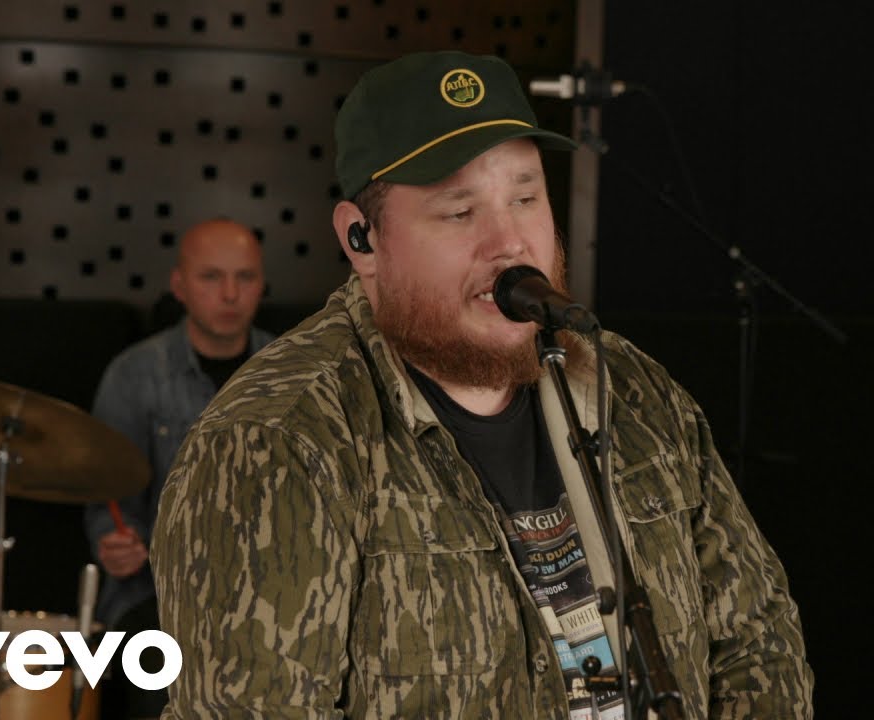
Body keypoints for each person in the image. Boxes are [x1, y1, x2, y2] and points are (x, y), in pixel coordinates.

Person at [152, 51, 814, 719]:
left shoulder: (637, 391)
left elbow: (758, 640)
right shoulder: (277, 441)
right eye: (459, 211)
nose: (510, 244)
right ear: (362, 240)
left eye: (525, 198)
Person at [84, 218, 274, 718]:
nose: (230, 294)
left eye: (245, 277)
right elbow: (107, 501)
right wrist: (115, 543)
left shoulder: (291, 371)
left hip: (269, 592)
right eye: (211, 277)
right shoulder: (134, 374)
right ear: (179, 285)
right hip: (156, 593)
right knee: (160, 664)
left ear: (262, 283)